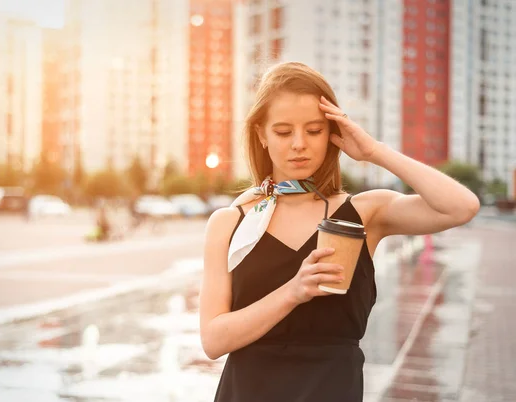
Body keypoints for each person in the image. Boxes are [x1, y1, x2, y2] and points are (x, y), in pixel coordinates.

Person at [199, 62, 480, 401]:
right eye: (284, 132)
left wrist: (374, 151)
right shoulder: (231, 223)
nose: (299, 144)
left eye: (314, 130)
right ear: (261, 134)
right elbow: (213, 340)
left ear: (332, 131)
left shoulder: (364, 213)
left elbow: (461, 207)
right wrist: (293, 292)